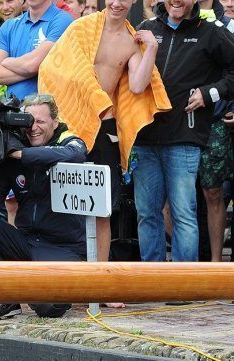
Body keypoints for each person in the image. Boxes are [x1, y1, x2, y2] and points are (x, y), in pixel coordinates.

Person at [38, 0, 170, 269]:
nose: (117, 3)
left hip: (105, 128)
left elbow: (137, 85)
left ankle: (100, 279)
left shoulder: (132, 41)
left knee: (103, 209)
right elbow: (51, 69)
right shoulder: (81, 28)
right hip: (72, 125)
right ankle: (66, 273)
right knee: (64, 204)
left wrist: (152, 49)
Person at [0, 93, 88, 319]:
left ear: (55, 122)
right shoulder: (13, 148)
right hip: (26, 242)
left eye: (40, 121)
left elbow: (77, 154)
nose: (33, 128)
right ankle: (6, 299)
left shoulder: (67, 140)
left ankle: (27, 285)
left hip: (62, 248)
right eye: (28, 121)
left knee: (49, 308)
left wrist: (21, 154)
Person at [130, 0, 234, 264]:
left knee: (183, 213)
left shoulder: (210, 30)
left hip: (185, 137)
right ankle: (151, 279)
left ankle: (183, 283)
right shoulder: (145, 28)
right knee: (146, 213)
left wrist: (210, 93)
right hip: (144, 137)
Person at [0, 0, 73, 101]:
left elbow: (31, 65)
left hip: (46, 113)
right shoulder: (9, 25)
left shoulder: (63, 20)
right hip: (12, 111)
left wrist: (7, 61)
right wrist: (32, 71)